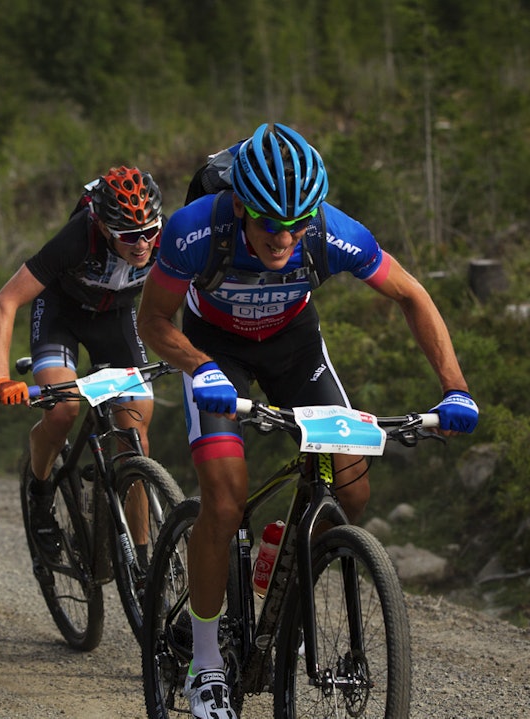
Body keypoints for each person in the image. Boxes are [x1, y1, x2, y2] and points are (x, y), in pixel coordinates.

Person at [136, 123, 479, 719]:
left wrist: (456, 389)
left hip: (295, 348)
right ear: (242, 205)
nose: (284, 236)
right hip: (216, 352)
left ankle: (285, 585)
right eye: (270, 222)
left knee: (352, 487)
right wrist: (198, 366)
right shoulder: (195, 231)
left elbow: (411, 294)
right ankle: (207, 663)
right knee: (223, 499)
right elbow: (152, 322)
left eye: (297, 223)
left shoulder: (329, 233)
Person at [0, 166, 164, 559]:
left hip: (115, 320)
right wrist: (1, 378)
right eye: (129, 236)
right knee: (64, 409)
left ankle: (142, 562)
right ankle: (41, 491)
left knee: (134, 432)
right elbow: (4, 303)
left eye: (150, 231)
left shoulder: (166, 237)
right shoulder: (76, 239)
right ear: (102, 228)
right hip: (60, 316)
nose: (142, 245)